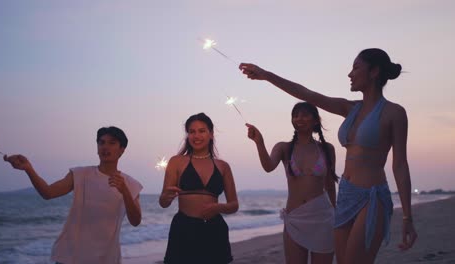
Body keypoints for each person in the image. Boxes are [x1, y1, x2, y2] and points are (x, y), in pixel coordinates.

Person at [239, 48, 417, 264]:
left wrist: (407, 216)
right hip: (346, 196)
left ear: (374, 72)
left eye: (356, 67)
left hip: (372, 196)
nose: (350, 74)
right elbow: (307, 94)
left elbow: (400, 165)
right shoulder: (350, 108)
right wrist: (266, 75)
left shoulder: (394, 113)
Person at [4, 126, 142, 264]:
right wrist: (28, 169)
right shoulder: (80, 174)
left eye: (112, 143)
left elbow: (135, 221)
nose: (105, 146)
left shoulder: (130, 184)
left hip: (106, 258)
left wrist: (124, 191)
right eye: (101, 142)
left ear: (122, 150)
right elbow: (48, 192)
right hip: (70, 256)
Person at [246, 102, 337, 264]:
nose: (299, 118)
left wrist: (337, 214)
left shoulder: (327, 149)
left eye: (304, 115)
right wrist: (259, 142)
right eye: (295, 115)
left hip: (323, 218)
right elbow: (268, 166)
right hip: (295, 219)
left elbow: (330, 184)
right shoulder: (284, 148)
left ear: (316, 120)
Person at [159, 113, 239, 264]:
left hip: (215, 230)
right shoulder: (176, 162)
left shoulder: (223, 166)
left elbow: (234, 205)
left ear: (211, 134)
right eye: (192, 131)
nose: (196, 136)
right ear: (187, 135)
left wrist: (218, 207)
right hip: (184, 229)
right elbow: (163, 202)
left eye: (202, 131)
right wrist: (165, 197)